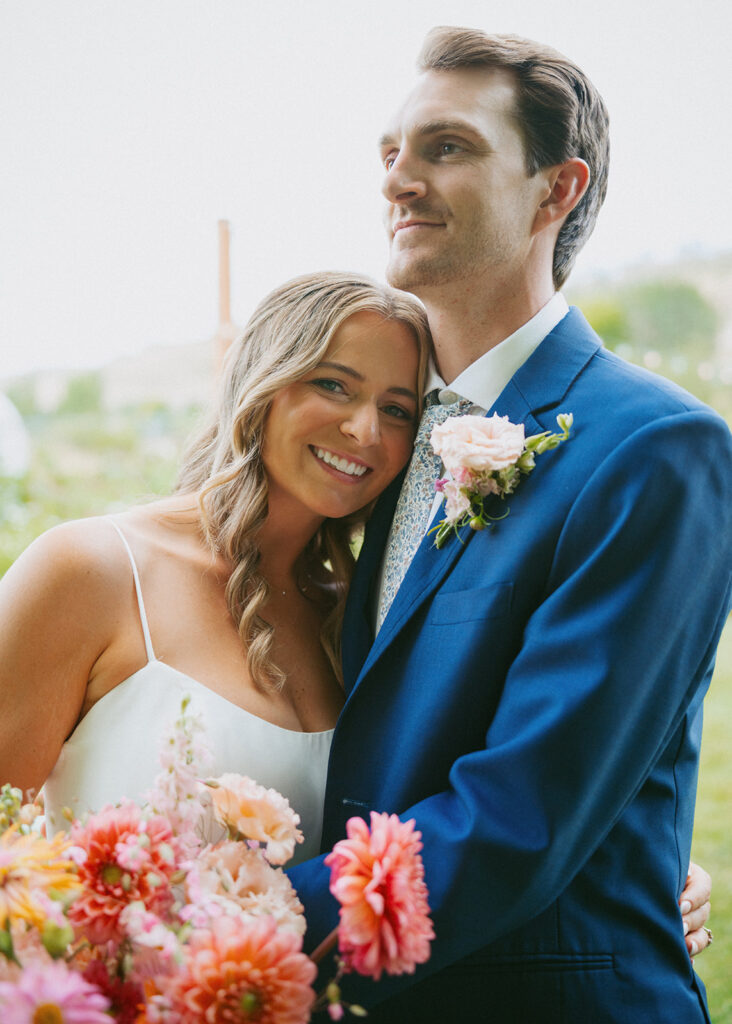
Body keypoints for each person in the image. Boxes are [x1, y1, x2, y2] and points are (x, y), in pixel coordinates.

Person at [287, 28, 732, 1021]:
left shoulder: (655, 447)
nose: (399, 178)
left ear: (556, 190)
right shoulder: (382, 440)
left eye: (446, 147)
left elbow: (521, 818)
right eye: (391, 151)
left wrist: (243, 928)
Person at [0, 271, 431, 864]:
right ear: (262, 384)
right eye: (333, 385)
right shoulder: (90, 570)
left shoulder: (358, 617)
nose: (365, 429)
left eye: (398, 410)